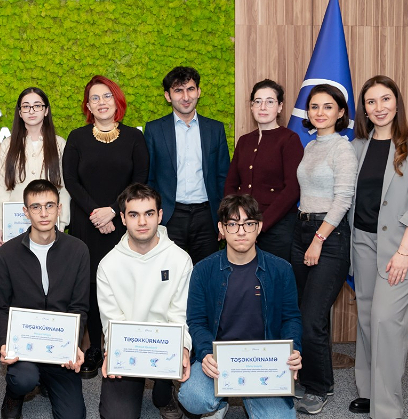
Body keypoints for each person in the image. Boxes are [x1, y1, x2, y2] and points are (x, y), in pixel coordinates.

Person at [178, 194, 302, 419]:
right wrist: (205, 352)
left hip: (263, 364)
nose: (241, 231)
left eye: (248, 223)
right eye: (233, 224)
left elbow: (291, 317)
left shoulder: (281, 270)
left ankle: (250, 397)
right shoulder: (204, 270)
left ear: (259, 227)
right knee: (193, 397)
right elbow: (196, 321)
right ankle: (218, 404)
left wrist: (294, 350)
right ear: (221, 229)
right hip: (220, 362)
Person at [349, 75, 408, 419]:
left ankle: (387, 405)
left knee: (387, 320)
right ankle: (369, 391)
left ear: (396, 102)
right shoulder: (358, 146)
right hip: (362, 242)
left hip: (401, 247)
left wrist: (404, 251)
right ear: (364, 109)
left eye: (385, 99)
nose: (379, 107)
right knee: (367, 318)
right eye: (371, 102)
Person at [62, 76, 149, 378]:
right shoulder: (77, 137)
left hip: (124, 223)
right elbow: (71, 181)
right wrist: (96, 214)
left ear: (117, 100)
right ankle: (95, 347)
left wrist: (113, 210)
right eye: (95, 98)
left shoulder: (134, 137)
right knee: (89, 285)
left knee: (122, 283)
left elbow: (140, 180)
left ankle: (121, 344)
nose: (101, 102)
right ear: (88, 106)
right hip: (86, 224)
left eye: (107, 96)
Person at [0, 179, 89, 419]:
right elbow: (0, 307)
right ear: (26, 212)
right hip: (24, 346)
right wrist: (4, 343)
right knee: (23, 379)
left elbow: (79, 307)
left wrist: (74, 345)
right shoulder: (7, 253)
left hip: (59, 345)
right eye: (36, 207)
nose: (44, 213)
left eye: (49, 206)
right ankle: (14, 393)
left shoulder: (78, 250)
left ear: (59, 209)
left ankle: (47, 379)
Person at [97, 183, 192, 419]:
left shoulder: (180, 259)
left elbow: (179, 314)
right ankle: (138, 385)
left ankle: (164, 391)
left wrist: (183, 347)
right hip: (128, 348)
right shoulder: (108, 265)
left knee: (181, 378)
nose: (142, 222)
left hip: (164, 347)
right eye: (134, 214)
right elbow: (111, 320)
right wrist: (113, 351)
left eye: (149, 213)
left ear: (160, 215)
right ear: (122, 219)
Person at [291, 84, 357, 415]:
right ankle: (310, 377)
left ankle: (320, 388)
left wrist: (318, 239)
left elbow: (343, 200)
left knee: (312, 316)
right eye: (314, 106)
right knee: (304, 312)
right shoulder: (311, 145)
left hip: (328, 237)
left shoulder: (343, 150)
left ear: (341, 112)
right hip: (302, 230)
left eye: (328, 106)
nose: (320, 112)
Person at [144, 66, 230, 265]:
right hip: (169, 216)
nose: (185, 97)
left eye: (190, 89)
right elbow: (149, 178)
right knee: (169, 273)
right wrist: (152, 217)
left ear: (198, 92)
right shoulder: (154, 130)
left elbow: (223, 177)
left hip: (207, 217)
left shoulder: (215, 129)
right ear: (168, 96)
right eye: (178, 90)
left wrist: (223, 218)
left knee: (206, 272)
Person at [224, 79, 303, 262]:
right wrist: (231, 219)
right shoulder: (244, 141)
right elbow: (231, 183)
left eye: (270, 101)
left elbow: (292, 189)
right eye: (258, 101)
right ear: (251, 106)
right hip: (242, 227)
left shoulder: (289, 139)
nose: (263, 107)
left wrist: (261, 223)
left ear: (280, 106)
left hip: (278, 228)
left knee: (273, 276)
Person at [0, 87, 70, 245]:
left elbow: (64, 188)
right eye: (26, 106)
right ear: (20, 112)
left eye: (37, 106)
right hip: (15, 223)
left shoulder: (59, 144)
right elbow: (2, 188)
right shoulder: (8, 145)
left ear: (46, 110)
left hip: (50, 223)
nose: (31, 111)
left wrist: (62, 222)